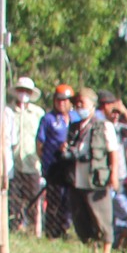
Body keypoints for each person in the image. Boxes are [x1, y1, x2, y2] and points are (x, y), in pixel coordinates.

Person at [69, 89, 127, 253]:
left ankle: (106, 249)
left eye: (82, 103)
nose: (79, 107)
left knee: (101, 214)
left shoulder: (106, 125)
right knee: (81, 215)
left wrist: (114, 176)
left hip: (97, 176)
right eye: (77, 104)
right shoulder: (75, 127)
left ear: (92, 105)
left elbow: (116, 150)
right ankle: (91, 246)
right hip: (78, 176)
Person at [5, 77, 45, 232]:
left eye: (26, 91)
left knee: (34, 197)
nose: (23, 94)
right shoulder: (8, 111)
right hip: (13, 162)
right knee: (14, 197)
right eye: (21, 90)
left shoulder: (37, 113)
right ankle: (16, 226)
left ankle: (36, 228)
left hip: (32, 160)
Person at [38, 86, 75, 237]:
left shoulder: (75, 119)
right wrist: (45, 161)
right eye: (58, 100)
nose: (61, 103)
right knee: (53, 200)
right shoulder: (48, 119)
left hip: (70, 167)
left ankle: (65, 229)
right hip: (53, 167)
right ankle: (51, 231)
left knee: (68, 201)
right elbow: (40, 144)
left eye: (65, 100)